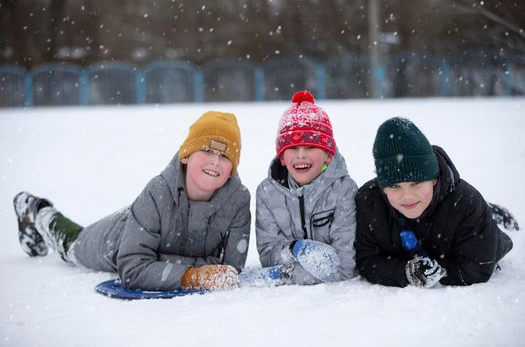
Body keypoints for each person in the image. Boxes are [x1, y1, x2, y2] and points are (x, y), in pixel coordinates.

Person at [14, 111, 251, 292]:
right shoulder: (157, 192)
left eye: (224, 156)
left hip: (150, 242)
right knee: (71, 245)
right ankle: (36, 209)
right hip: (116, 239)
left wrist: (158, 262)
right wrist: (193, 275)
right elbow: (132, 268)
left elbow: (230, 270)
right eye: (207, 151)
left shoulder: (238, 201)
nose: (215, 162)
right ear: (186, 155)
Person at [354, 117, 516, 288]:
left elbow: (477, 269)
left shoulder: (466, 203)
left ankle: (498, 213)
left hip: (480, 230)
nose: (407, 196)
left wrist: (437, 271)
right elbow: (366, 260)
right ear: (383, 187)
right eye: (394, 186)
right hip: (424, 242)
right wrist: (405, 272)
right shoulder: (369, 202)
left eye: (415, 183)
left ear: (434, 179)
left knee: (495, 222)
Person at [239, 90, 358, 287]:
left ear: (328, 155)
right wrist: (294, 249)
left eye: (310, 147)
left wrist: (282, 275)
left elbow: (344, 266)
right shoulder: (268, 193)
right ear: (282, 158)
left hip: (336, 305)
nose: (301, 155)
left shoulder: (344, 190)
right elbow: (268, 255)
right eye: (293, 148)